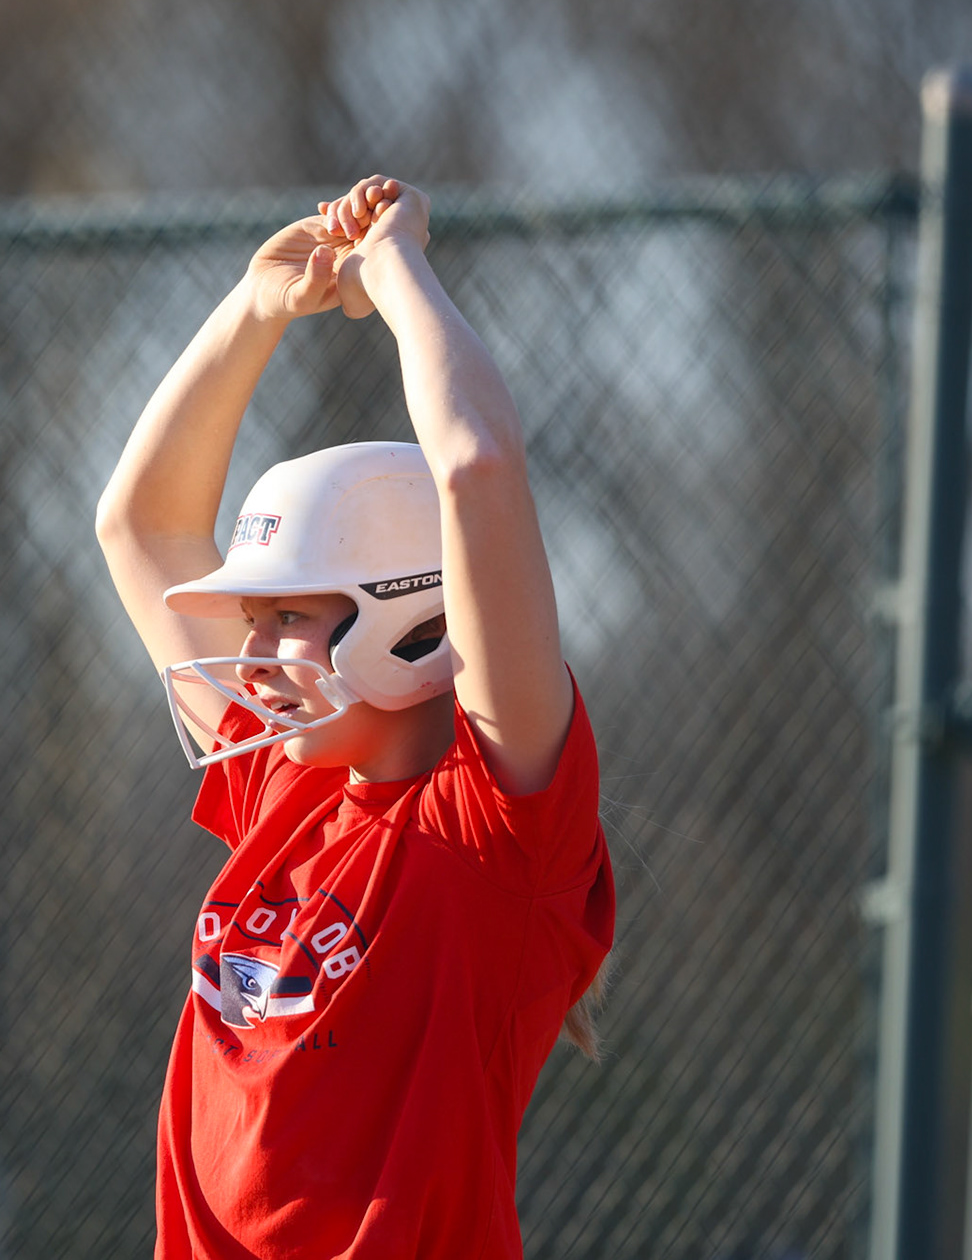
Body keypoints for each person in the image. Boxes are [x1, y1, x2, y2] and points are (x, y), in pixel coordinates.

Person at [94, 176, 614, 1259]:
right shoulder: (285, 783)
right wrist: (256, 307)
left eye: (293, 614)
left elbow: (475, 466)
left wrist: (397, 266)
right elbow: (139, 524)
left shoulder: (492, 829)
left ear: (417, 622)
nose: (256, 654)